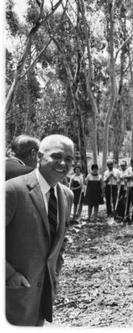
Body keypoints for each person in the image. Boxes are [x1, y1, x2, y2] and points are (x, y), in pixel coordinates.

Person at [5, 134, 74, 326]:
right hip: (11, 301)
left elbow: (60, 242)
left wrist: (54, 273)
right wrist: (9, 274)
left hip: (41, 300)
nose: (63, 163)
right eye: (56, 156)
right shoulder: (12, 190)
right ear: (39, 156)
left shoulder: (67, 196)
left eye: (68, 159)